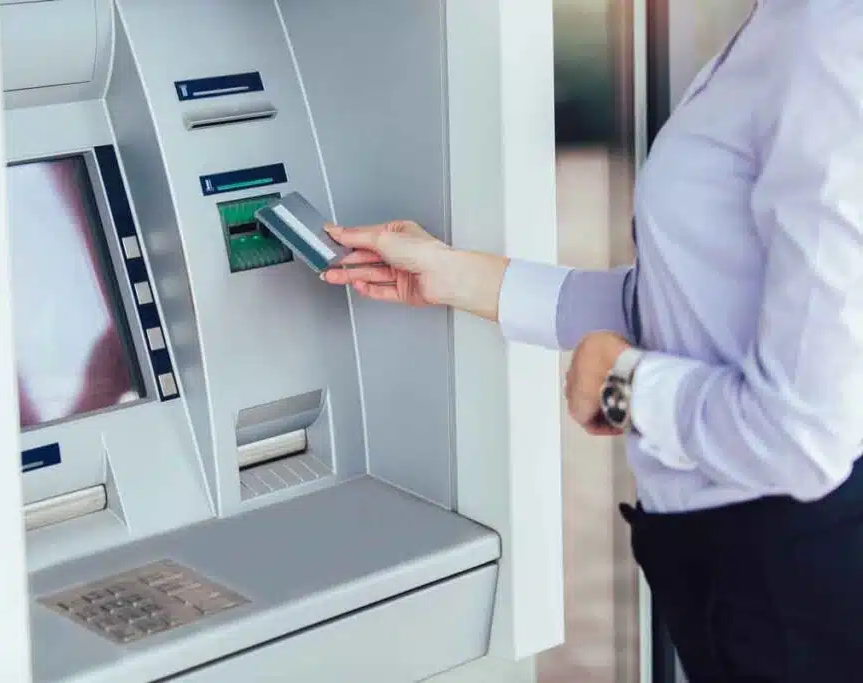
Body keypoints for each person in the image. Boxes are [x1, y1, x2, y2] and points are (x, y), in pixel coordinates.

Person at [321, 2, 863, 681]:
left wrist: (626, 386)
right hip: (754, 572)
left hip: (792, 587)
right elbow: (692, 305)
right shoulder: (788, 25)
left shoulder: (830, 43)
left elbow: (804, 432)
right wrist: (455, 275)